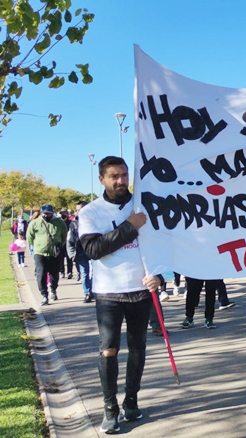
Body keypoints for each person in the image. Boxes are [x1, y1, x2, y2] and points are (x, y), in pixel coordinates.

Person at [78, 156, 162, 433]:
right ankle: (109, 409)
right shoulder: (90, 212)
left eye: (124, 175)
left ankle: (131, 402)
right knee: (109, 350)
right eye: (114, 176)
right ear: (101, 179)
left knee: (138, 348)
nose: (121, 181)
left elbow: (163, 246)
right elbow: (93, 249)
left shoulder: (143, 206)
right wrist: (130, 226)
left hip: (141, 290)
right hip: (108, 293)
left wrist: (160, 275)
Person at [27, 204, 67, 306]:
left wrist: (58, 246)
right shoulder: (35, 223)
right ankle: (44, 295)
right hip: (40, 253)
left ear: (52, 213)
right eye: (44, 213)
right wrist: (38, 246)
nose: (46, 216)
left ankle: (53, 289)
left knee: (54, 274)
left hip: (54, 253)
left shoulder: (60, 223)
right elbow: (30, 237)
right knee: (41, 275)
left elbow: (64, 236)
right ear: (41, 212)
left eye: (48, 214)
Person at [67, 201, 94, 303]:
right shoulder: (73, 224)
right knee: (84, 273)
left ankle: (94, 290)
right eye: (77, 210)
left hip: (93, 250)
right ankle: (87, 293)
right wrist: (72, 253)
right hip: (80, 252)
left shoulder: (95, 220)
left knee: (94, 272)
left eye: (80, 210)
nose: (78, 212)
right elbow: (69, 240)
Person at [60, 210, 74, 279]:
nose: (63, 215)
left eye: (64, 214)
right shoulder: (59, 222)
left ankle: (70, 272)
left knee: (69, 258)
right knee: (61, 258)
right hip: (61, 243)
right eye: (62, 214)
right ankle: (62, 272)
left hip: (68, 242)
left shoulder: (70, 223)